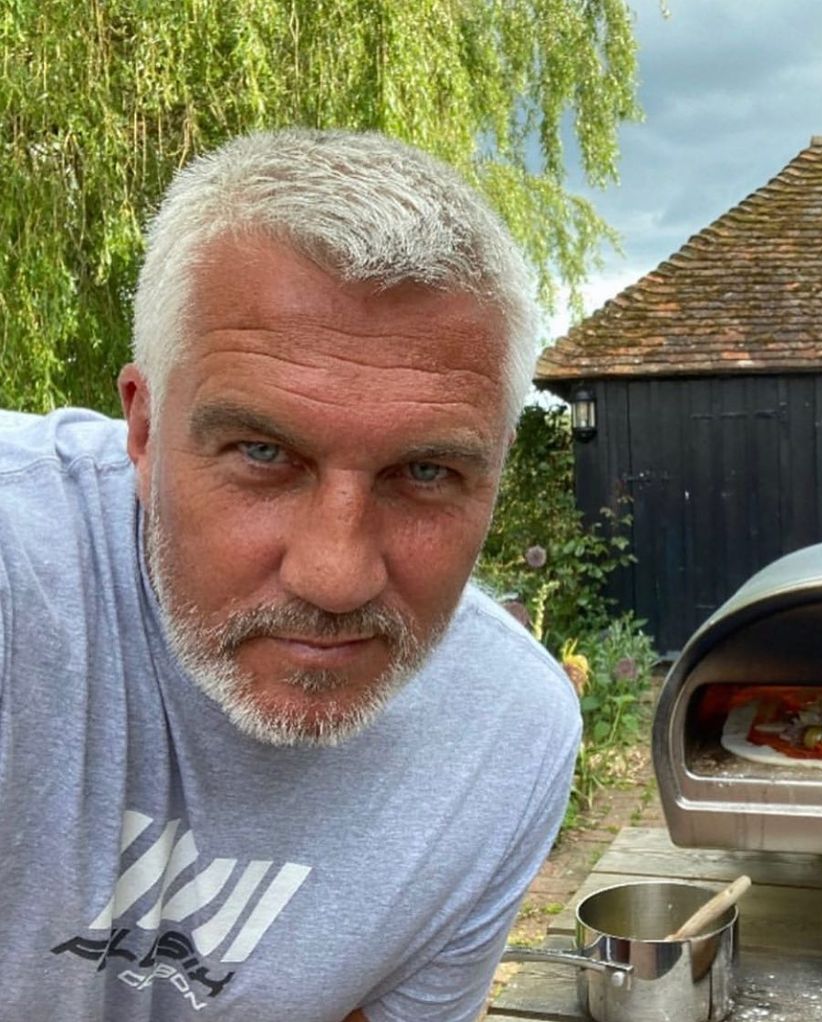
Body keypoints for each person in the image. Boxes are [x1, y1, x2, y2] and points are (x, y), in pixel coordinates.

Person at [0, 128, 581, 1020]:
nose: (336, 577)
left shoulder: (507, 736)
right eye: (263, 453)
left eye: (425, 473)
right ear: (145, 430)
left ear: (496, 468)